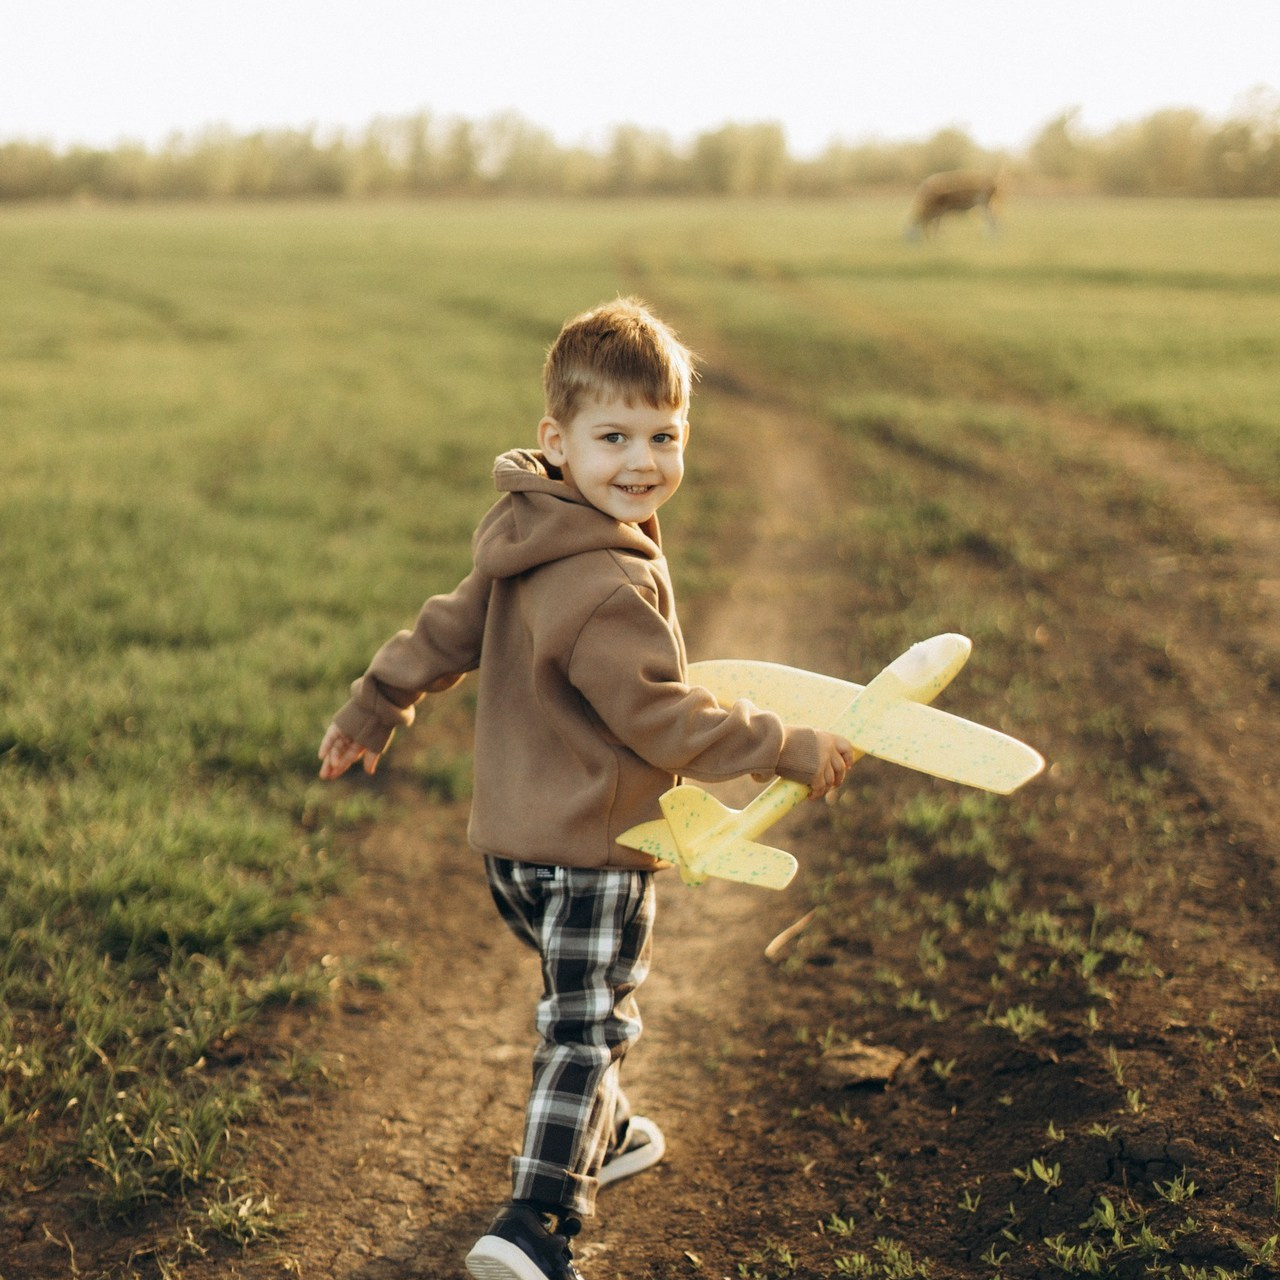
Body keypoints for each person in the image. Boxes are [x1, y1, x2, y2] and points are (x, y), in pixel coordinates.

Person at [317, 297, 854, 1280]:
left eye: (664, 434)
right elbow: (662, 717)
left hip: (513, 848)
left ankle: (601, 1132)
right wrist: (782, 744)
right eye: (614, 436)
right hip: (595, 850)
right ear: (555, 439)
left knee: (578, 1001)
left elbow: (444, 630)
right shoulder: (608, 582)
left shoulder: (525, 529)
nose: (642, 460)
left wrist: (372, 706)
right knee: (587, 1024)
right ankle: (536, 1220)